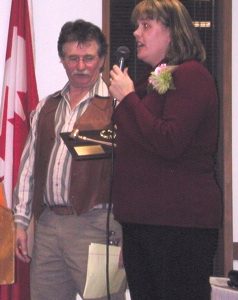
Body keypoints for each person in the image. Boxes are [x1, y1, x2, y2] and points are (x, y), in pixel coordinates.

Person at [109, 1, 222, 299]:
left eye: (146, 26)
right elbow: (139, 139)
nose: (136, 33)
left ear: (172, 32)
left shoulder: (192, 75)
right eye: (137, 26)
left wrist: (129, 97)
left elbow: (169, 141)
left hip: (178, 225)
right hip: (145, 221)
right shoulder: (157, 80)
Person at [14, 19, 125, 300]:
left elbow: (134, 175)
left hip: (99, 225)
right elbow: (29, 168)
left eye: (89, 58)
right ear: (62, 60)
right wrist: (21, 222)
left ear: (101, 60)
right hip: (49, 226)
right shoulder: (46, 107)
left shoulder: (118, 106)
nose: (81, 66)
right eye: (73, 58)